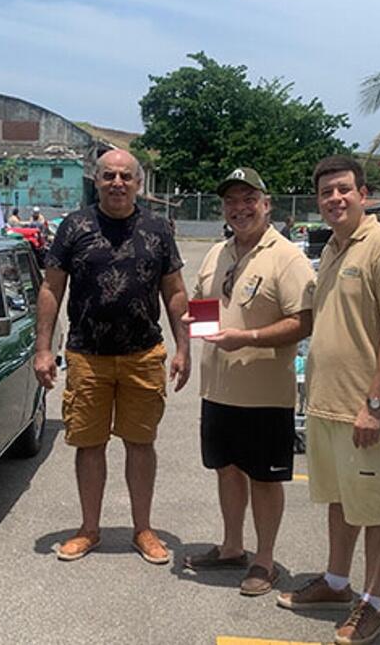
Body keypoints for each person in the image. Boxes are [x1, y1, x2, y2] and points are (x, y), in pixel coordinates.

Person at [276, 156, 380, 645]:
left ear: (364, 193)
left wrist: (374, 404)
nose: (334, 199)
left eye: (343, 190)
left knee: (377, 509)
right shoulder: (333, 247)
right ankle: (336, 582)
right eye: (326, 192)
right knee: (340, 500)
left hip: (365, 409)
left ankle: (372, 602)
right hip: (326, 405)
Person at [34, 148, 191, 565]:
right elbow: (51, 289)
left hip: (143, 354)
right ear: (97, 181)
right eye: (109, 176)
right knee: (90, 444)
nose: (117, 183)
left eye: (125, 176)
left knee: (141, 443)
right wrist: (43, 349)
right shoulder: (74, 226)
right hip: (88, 356)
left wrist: (184, 348)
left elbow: (174, 292)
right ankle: (89, 529)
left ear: (138, 183)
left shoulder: (158, 229)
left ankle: (143, 528)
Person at [182, 167, 315, 597]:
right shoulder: (218, 252)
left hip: (264, 394)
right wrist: (193, 324)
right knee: (226, 469)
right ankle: (232, 546)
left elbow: (303, 321)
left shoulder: (287, 257)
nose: (239, 209)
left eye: (248, 200)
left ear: (266, 203)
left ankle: (264, 558)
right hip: (218, 389)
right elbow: (206, 304)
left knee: (264, 477)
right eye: (231, 202)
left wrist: (249, 337)